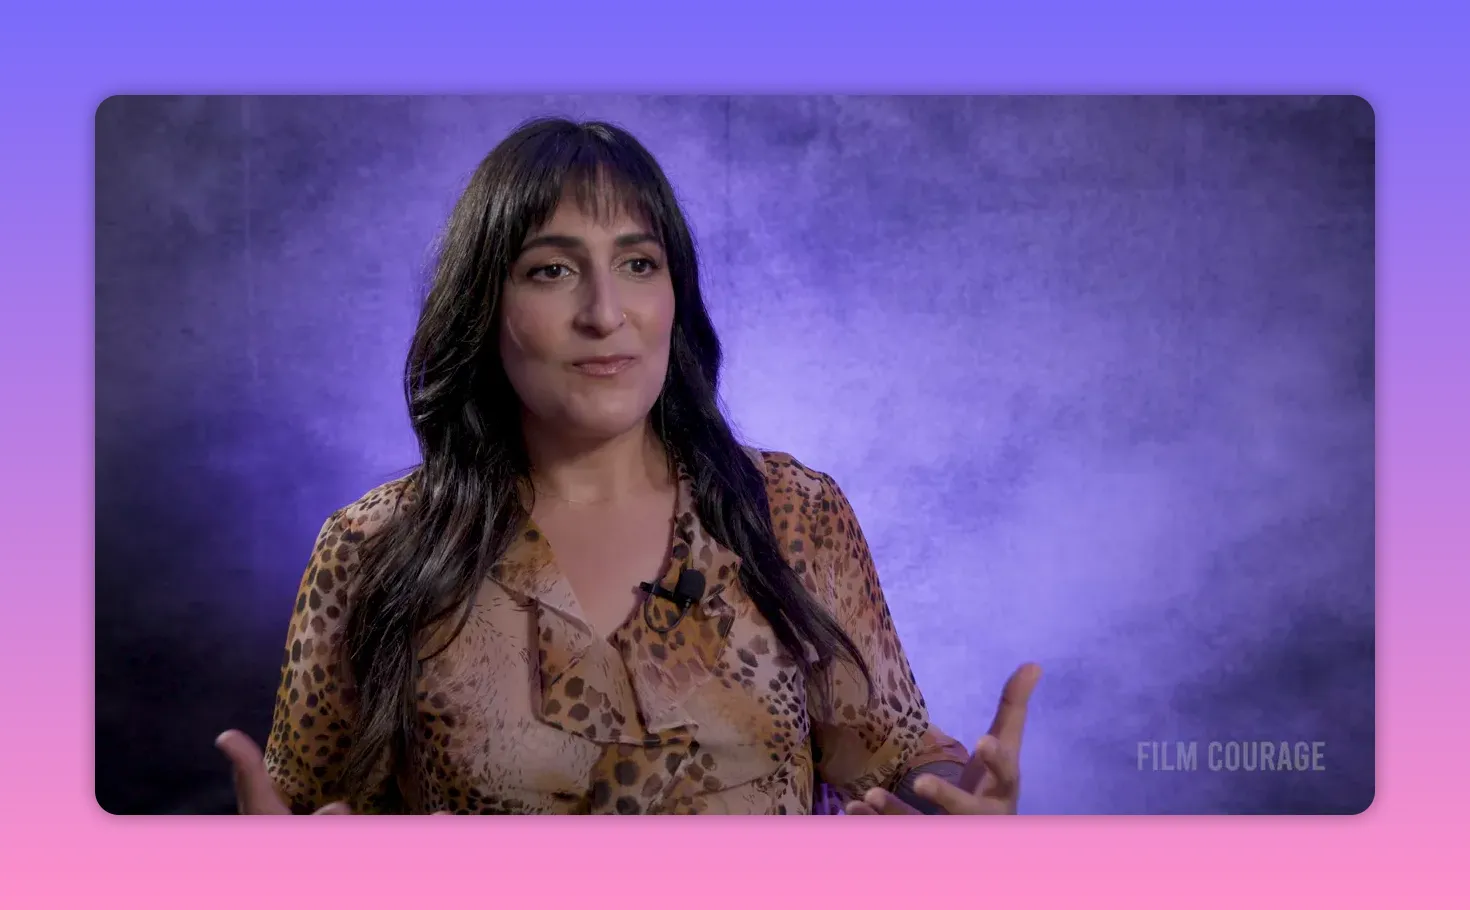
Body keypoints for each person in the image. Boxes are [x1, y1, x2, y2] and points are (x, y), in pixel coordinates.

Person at [214, 117, 1042, 815]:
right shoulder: (374, 547)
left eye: (638, 265)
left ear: (674, 295)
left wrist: (952, 796)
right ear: (485, 306)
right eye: (553, 270)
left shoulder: (791, 511)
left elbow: (891, 759)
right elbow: (305, 815)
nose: (605, 314)